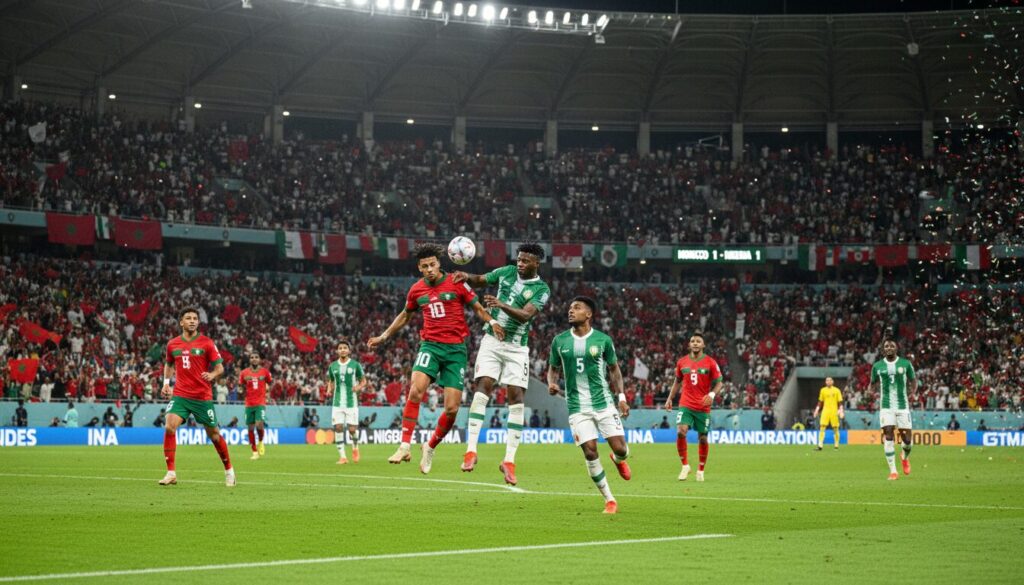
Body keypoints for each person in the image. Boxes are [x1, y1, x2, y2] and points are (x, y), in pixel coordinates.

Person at [367, 243, 505, 472]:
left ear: (439, 263)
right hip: (430, 347)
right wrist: (384, 336)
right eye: (425, 266)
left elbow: (478, 308)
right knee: (415, 390)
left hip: (455, 351)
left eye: (432, 264)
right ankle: (404, 445)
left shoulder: (457, 282)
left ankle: (429, 447)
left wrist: (492, 321)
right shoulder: (416, 290)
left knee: (452, 409)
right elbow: (405, 315)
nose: (429, 269)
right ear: (419, 268)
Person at [452, 243, 550, 485]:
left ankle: (509, 460)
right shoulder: (505, 271)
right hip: (492, 341)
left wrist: (501, 304)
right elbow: (480, 279)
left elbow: (527, 315)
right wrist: (467, 276)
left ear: (537, 263)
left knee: (516, 397)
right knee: (483, 386)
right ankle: (471, 450)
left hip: (517, 347)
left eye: (526, 260)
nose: (520, 263)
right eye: (519, 259)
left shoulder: (541, 289)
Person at [547, 296, 631, 514]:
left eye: (577, 308)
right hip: (577, 406)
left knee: (621, 449)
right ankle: (609, 499)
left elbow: (614, 369)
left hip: (603, 403)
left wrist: (621, 397)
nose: (571, 311)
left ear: (589, 314)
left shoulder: (602, 340)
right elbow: (553, 368)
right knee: (590, 452)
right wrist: (552, 383)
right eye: (569, 307)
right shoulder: (560, 341)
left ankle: (618, 459)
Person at [158, 307, 234, 487]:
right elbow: (168, 364)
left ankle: (229, 469)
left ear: (198, 322)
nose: (192, 321)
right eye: (188, 318)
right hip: (181, 395)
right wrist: (166, 383)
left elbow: (220, 368)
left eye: (195, 318)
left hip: (202, 396)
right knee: (169, 426)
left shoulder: (207, 343)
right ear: (181, 322)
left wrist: (212, 375)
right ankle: (171, 473)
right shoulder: (172, 344)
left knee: (214, 435)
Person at [664, 332, 722, 482]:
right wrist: (670, 398)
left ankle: (701, 470)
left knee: (702, 438)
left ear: (703, 345)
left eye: (698, 341)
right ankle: (685, 465)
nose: (695, 343)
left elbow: (719, 383)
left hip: (703, 406)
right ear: (689, 345)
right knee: (681, 431)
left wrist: (712, 395)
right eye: (692, 341)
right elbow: (677, 382)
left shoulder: (710, 362)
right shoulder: (682, 362)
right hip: (686, 404)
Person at [869, 339, 917, 480]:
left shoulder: (905, 364)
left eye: (892, 346)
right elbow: (872, 383)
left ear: (897, 348)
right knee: (888, 437)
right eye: (886, 346)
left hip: (902, 406)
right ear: (883, 349)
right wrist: (871, 391)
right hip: (886, 407)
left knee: (907, 440)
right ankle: (893, 471)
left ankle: (904, 457)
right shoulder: (877, 366)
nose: (889, 348)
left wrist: (913, 392)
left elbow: (913, 380)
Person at [327, 340, 366, 464]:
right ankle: (343, 457)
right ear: (337, 351)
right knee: (338, 427)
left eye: (345, 348)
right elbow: (331, 380)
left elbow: (363, 381)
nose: (342, 350)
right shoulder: (332, 366)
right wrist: (329, 389)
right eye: (340, 348)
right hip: (337, 403)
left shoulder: (355, 365)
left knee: (352, 430)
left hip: (351, 403)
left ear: (349, 350)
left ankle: (355, 447)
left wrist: (358, 387)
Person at [239, 351, 272, 460]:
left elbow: (269, 383)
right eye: (252, 357)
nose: (254, 359)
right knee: (250, 428)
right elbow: (240, 386)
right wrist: (240, 390)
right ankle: (254, 451)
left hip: (260, 403)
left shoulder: (265, 372)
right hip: (249, 404)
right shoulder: (244, 373)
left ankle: (261, 441)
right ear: (249, 359)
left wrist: (267, 393)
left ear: (259, 359)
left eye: (256, 357)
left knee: (259, 424)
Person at [813, 377, 844, 450]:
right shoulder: (823, 390)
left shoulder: (837, 390)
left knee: (835, 428)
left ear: (832, 382)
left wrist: (841, 410)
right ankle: (820, 445)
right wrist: (816, 410)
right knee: (822, 427)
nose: (828, 382)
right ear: (825, 382)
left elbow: (840, 402)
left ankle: (836, 445)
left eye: (830, 380)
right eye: (827, 380)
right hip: (825, 411)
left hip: (834, 411)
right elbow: (820, 402)